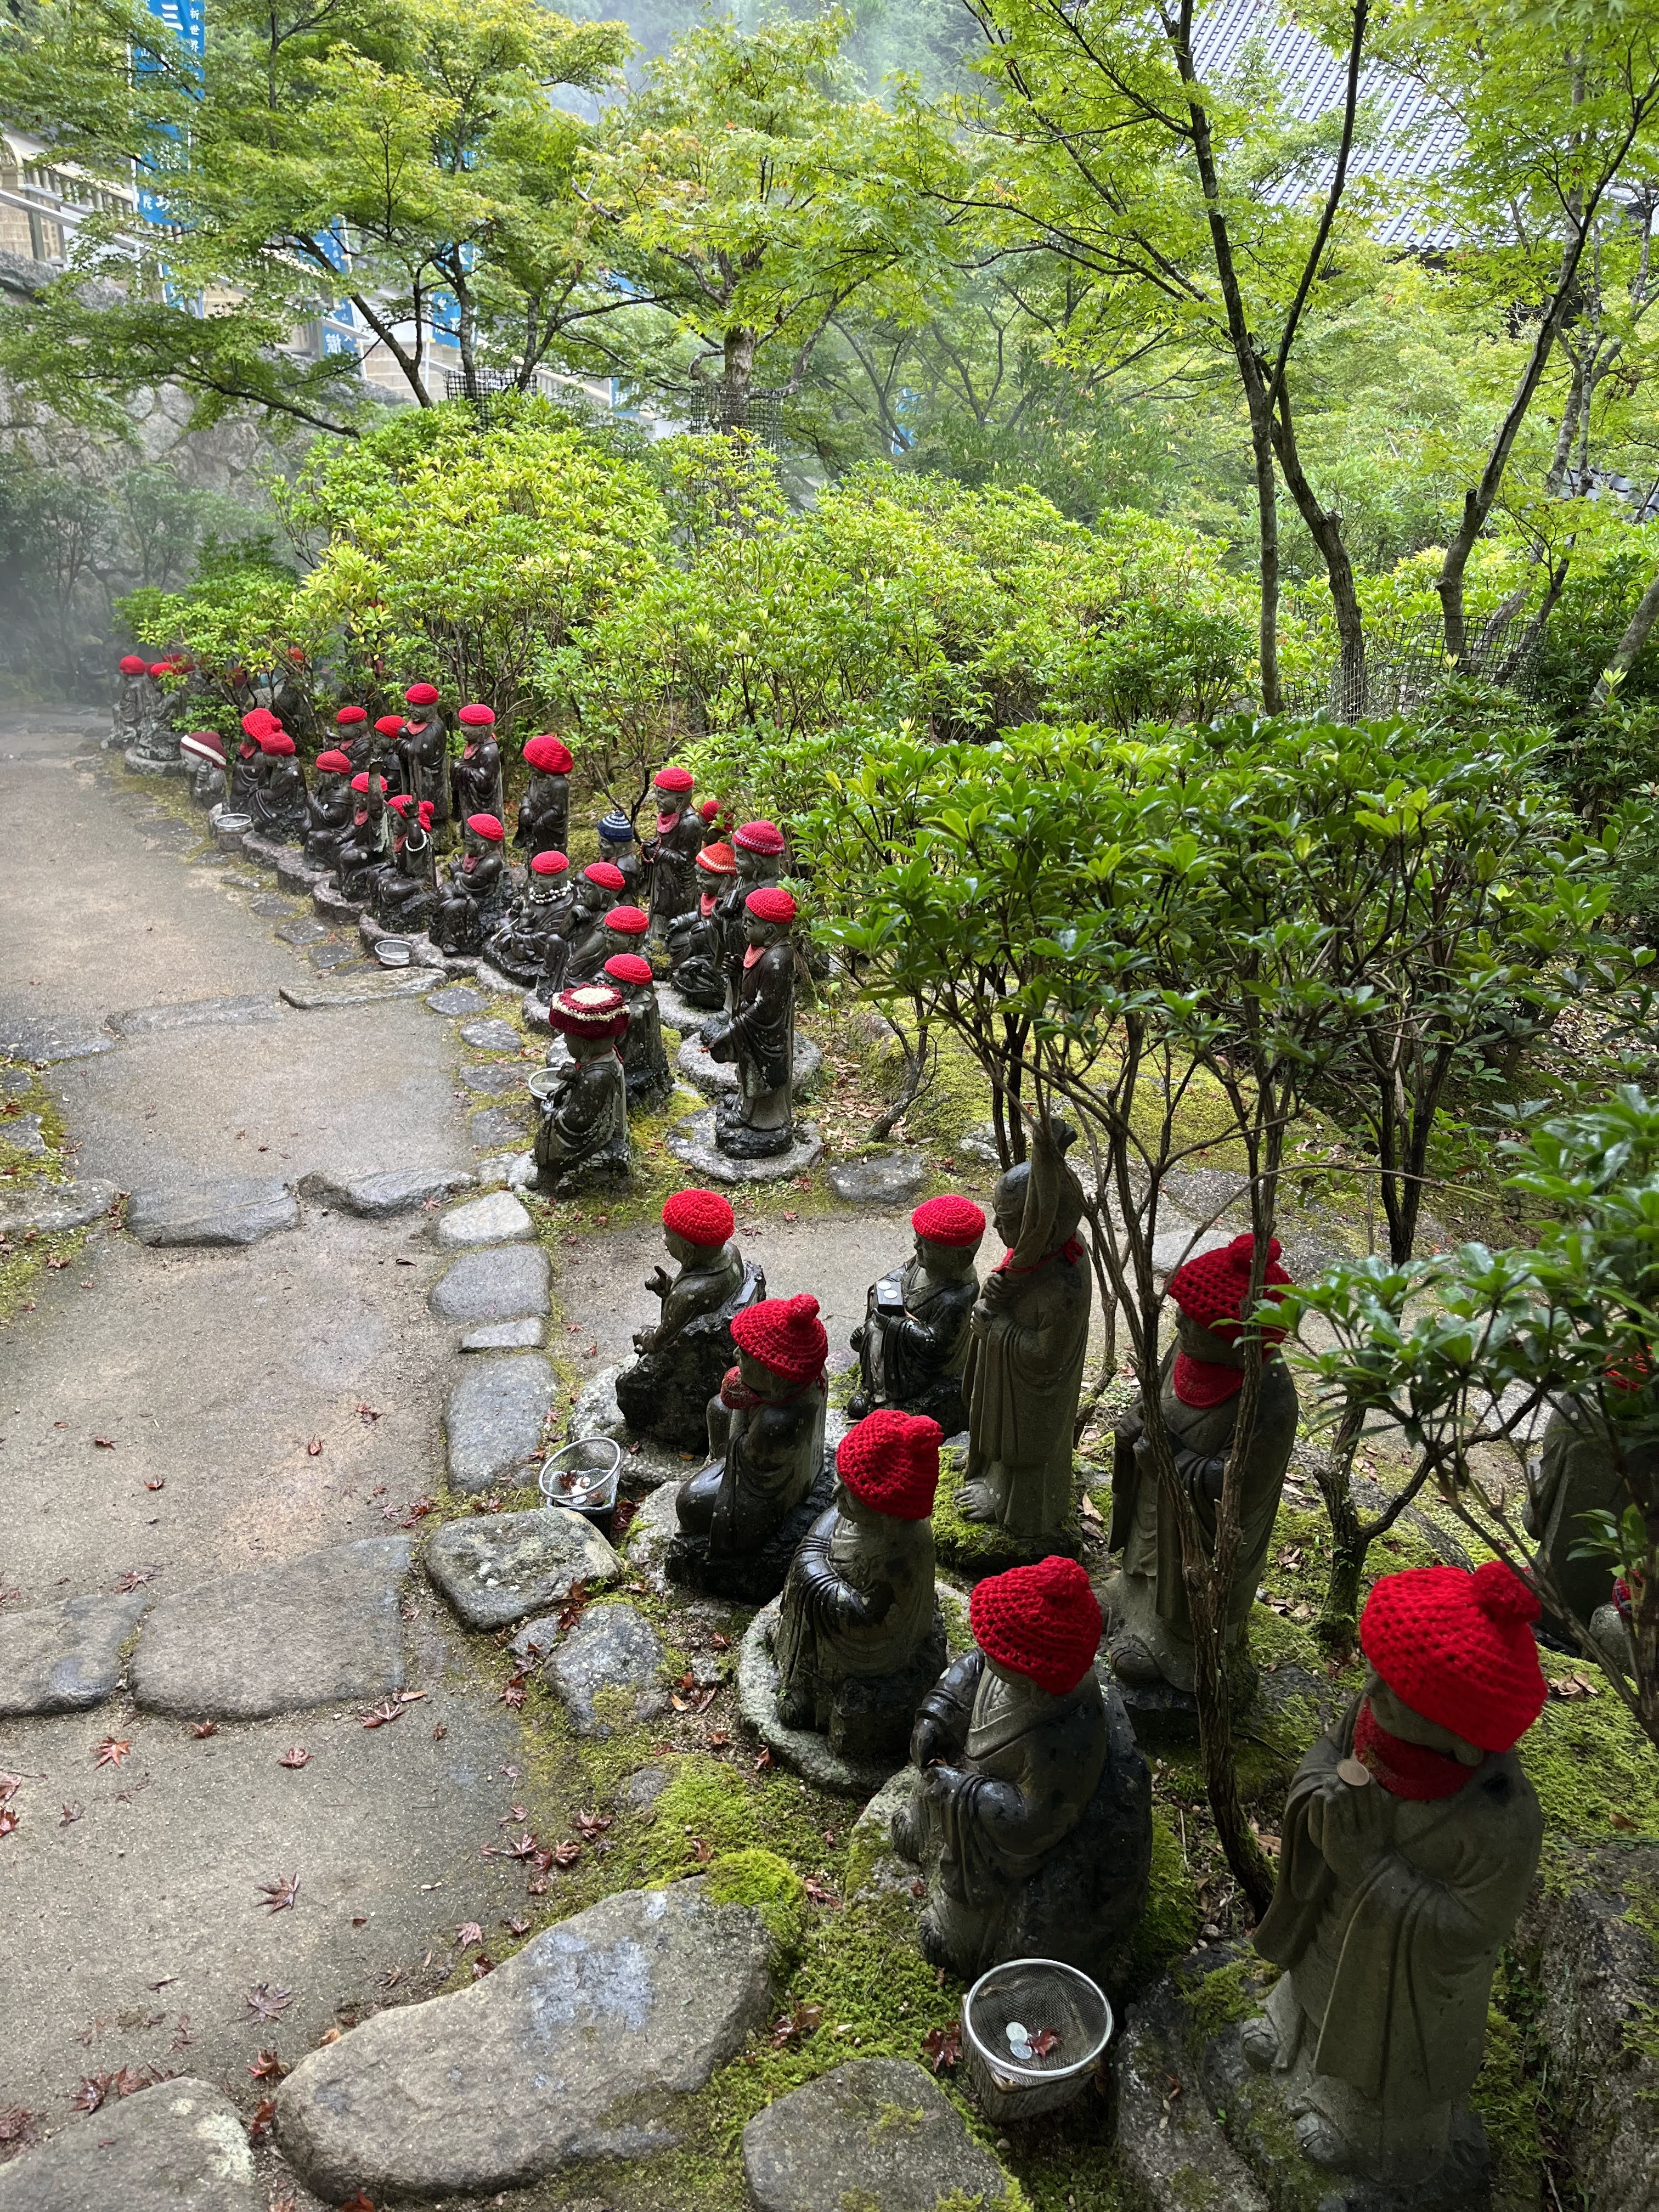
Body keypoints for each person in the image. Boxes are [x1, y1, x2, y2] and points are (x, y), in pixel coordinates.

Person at [1246, 1561, 1547, 2190]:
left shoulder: (1499, 1821)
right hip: (1332, 1913)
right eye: (1376, 1667)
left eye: (1399, 1689)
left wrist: (1372, 1871)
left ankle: (1361, 2116)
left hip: (1401, 1977)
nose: (1373, 1687)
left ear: (1464, 1742)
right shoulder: (1370, 1713)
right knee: (1314, 1973)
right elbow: (1322, 1757)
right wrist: (1325, 1792)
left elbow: (1473, 1928)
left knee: (1375, 2034)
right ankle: (1290, 2028)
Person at [1105, 1231, 1299, 1695]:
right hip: (1157, 1494)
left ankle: (1178, 1644)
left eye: (1195, 1322)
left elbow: (1242, 1486)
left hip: (1198, 1527)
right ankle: (1131, 1594)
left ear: (1237, 1342)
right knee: (1145, 1541)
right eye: (1182, 1314)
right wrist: (1136, 1423)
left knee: (1187, 1577)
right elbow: (1152, 1395)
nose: (1180, 1326)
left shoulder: (1268, 1395)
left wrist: (1175, 1463)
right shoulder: (1187, 1350)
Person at [959, 1121, 1091, 1538]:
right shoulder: (1030, 1263)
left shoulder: (1063, 1281)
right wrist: (991, 1300)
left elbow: (1047, 1356)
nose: (997, 1228)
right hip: (1005, 1387)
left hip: (1032, 1395)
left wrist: (998, 1329)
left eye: (1010, 1220)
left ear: (1045, 1224)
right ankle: (987, 1467)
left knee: (1028, 1450)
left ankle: (1009, 1500)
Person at [850, 1195, 985, 1436]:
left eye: (927, 1246)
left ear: (961, 1258)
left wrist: (895, 1325)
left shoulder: (958, 1295)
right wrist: (886, 1287)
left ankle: (885, 1398)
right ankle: (871, 1383)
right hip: (897, 1326)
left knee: (878, 1332)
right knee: (876, 1306)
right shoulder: (923, 1263)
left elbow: (937, 1345)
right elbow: (902, 1273)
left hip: (922, 1362)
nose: (916, 1248)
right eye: (917, 1240)